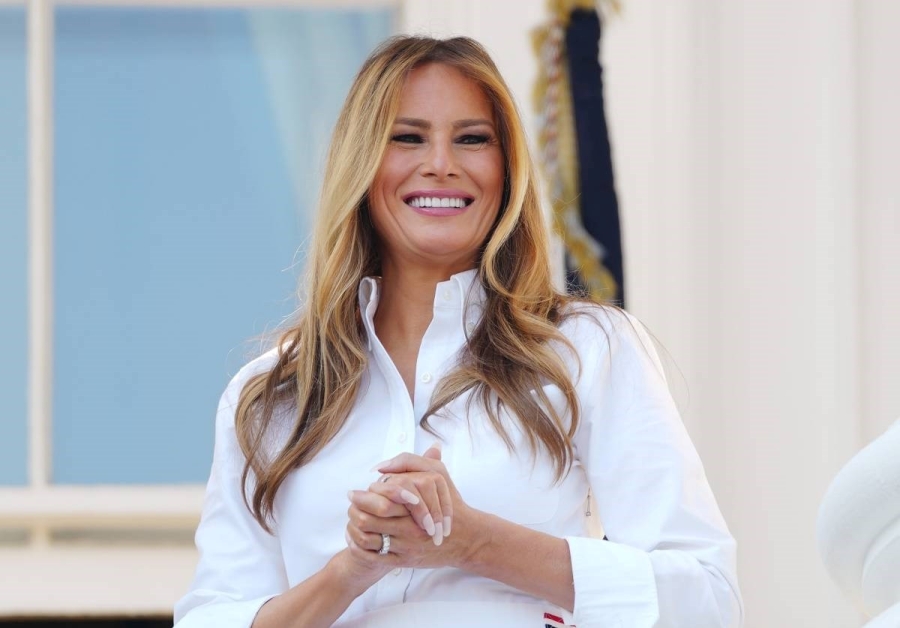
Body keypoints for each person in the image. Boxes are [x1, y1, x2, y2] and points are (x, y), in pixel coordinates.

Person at [173, 36, 743, 628]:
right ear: (360, 164)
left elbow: (707, 601)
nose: (441, 164)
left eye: (472, 139)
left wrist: (473, 542)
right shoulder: (271, 394)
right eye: (407, 137)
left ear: (506, 170)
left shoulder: (587, 348)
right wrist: (352, 570)